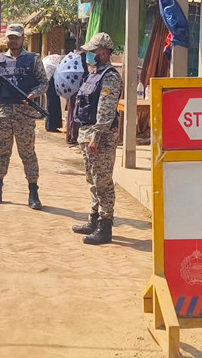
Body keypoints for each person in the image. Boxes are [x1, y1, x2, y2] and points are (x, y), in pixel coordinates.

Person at [0, 24, 48, 209]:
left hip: (25, 113)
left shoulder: (33, 59)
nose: (13, 41)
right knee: (1, 151)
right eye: (10, 37)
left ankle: (33, 193)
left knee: (28, 153)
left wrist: (33, 94)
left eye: (16, 37)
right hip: (3, 112)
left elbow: (44, 83)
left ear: (23, 38)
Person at [71, 32, 123, 245]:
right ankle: (93, 219)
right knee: (92, 179)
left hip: (100, 136)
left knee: (102, 181)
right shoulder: (93, 74)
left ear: (103, 53)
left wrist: (96, 136)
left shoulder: (110, 76)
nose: (89, 55)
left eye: (92, 52)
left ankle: (105, 225)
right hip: (87, 133)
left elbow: (106, 109)